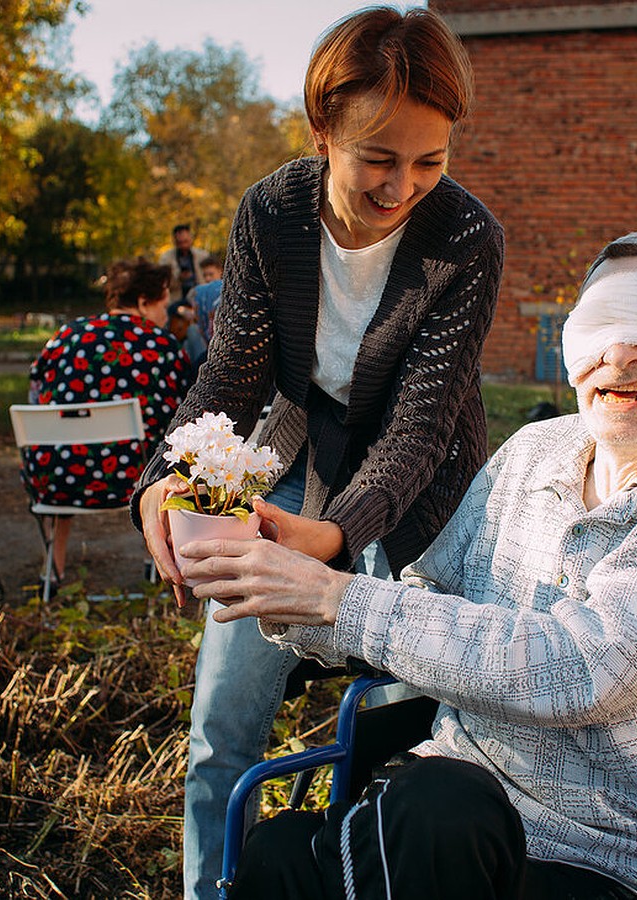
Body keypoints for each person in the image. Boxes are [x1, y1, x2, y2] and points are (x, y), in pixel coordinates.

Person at [179, 230, 637, 899]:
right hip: (439, 808)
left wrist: (338, 600)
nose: (619, 353)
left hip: (614, 854)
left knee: (436, 810)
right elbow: (432, 592)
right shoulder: (533, 452)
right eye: (600, 323)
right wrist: (291, 588)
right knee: (276, 851)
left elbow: (588, 670)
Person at [130, 8, 504, 898]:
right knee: (222, 730)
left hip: (423, 499)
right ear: (322, 129)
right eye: (377, 156)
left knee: (393, 738)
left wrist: (332, 540)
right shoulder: (272, 212)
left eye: (429, 160)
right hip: (293, 465)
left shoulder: (465, 239)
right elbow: (231, 375)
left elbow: (418, 429)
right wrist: (163, 483)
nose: (401, 185)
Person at [24, 257, 190, 585]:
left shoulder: (65, 336)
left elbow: (35, 393)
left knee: (60, 450)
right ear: (143, 303)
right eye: (163, 305)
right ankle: (156, 562)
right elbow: (183, 415)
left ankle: (53, 570)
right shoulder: (162, 347)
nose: (165, 315)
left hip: (56, 480)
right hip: (133, 481)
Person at [159, 224, 210, 300]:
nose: (183, 245)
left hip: (201, 297)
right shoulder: (166, 259)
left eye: (185, 241)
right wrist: (178, 278)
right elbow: (164, 284)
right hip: (176, 299)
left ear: (191, 239)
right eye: (180, 243)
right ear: (174, 242)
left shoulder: (203, 256)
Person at [188, 255, 223, 344]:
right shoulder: (200, 293)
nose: (208, 278)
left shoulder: (225, 289)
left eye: (211, 274)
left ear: (221, 271)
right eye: (205, 275)